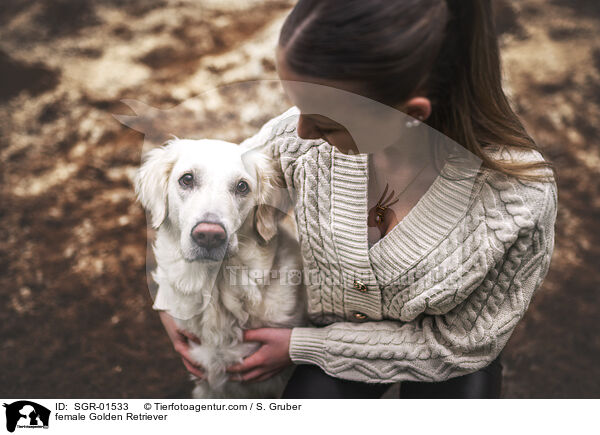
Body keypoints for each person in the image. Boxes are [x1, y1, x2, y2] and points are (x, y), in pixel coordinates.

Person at [156, 0, 557, 398]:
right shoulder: (295, 142)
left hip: (443, 359)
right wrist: (170, 301)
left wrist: (304, 347)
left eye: (327, 124)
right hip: (325, 332)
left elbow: (460, 345)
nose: (302, 132)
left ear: (411, 113)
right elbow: (210, 202)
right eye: (297, 108)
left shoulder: (516, 202)